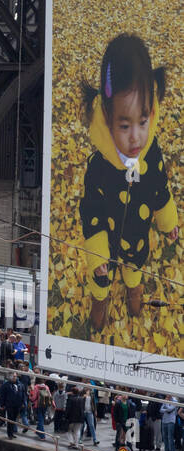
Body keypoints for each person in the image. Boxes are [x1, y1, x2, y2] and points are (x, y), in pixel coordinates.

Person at [76, 34, 179, 333]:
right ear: (107, 117)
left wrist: (167, 219)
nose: (135, 136)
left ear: (151, 111)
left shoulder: (153, 151)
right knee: (101, 275)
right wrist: (96, 253)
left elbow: (160, 186)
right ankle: (100, 299)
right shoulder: (98, 167)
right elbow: (90, 209)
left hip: (136, 234)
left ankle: (134, 289)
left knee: (135, 264)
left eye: (142, 121)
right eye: (124, 125)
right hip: (106, 238)